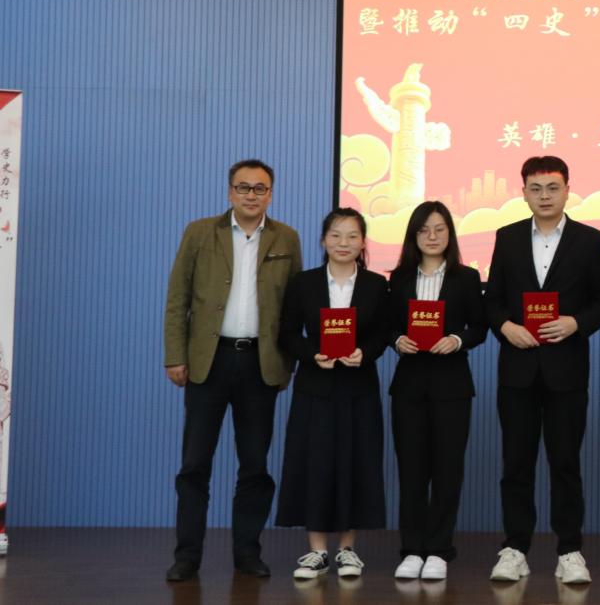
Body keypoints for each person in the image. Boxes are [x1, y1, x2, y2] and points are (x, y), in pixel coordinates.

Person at [163, 159, 302, 581]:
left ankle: (247, 553)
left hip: (260, 363)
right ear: (230, 192)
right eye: (243, 187)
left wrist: (288, 362)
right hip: (209, 361)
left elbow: (294, 307)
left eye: (260, 188)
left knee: (255, 465)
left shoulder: (286, 238)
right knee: (194, 464)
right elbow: (177, 298)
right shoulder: (199, 232)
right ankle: (187, 556)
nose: (251, 195)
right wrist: (175, 355)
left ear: (270, 195)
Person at [484, 156, 600, 585]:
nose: (544, 196)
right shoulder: (507, 237)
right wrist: (506, 327)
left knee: (565, 464)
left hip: (566, 370)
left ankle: (569, 551)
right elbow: (493, 299)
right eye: (535, 189)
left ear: (567, 191)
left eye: (553, 188)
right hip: (517, 369)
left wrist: (576, 322)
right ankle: (515, 549)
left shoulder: (589, 240)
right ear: (523, 193)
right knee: (516, 465)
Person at [274, 207, 390, 579]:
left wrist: (364, 353)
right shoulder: (304, 283)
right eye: (336, 235)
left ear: (363, 242)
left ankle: (347, 550)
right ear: (323, 240)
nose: (344, 243)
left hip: (359, 387)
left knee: (357, 462)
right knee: (315, 463)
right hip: (316, 386)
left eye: (352, 236)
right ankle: (317, 552)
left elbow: (382, 333)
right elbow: (287, 333)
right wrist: (312, 354)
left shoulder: (376, 285)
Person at [387, 201, 488, 581]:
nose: (432, 236)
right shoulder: (398, 278)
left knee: (447, 470)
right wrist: (396, 339)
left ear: (450, 233)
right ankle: (412, 549)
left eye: (439, 229)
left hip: (452, 386)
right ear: (413, 235)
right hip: (409, 385)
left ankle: (439, 550)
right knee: (412, 470)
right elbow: (385, 325)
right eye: (424, 230)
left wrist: (457, 340)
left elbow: (480, 327)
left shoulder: (467, 277)